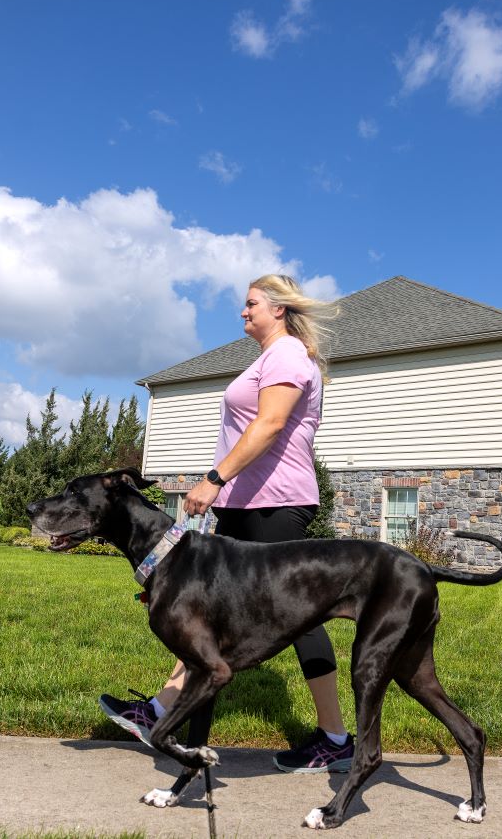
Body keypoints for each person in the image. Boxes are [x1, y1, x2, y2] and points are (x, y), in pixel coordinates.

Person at [100, 274, 355, 773]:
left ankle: (336, 738)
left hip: (273, 503)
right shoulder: (268, 358)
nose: (243, 312)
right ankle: (160, 709)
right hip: (246, 503)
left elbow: (270, 424)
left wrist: (214, 478)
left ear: (278, 309)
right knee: (204, 609)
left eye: (251, 304)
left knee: (302, 617)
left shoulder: (286, 356)